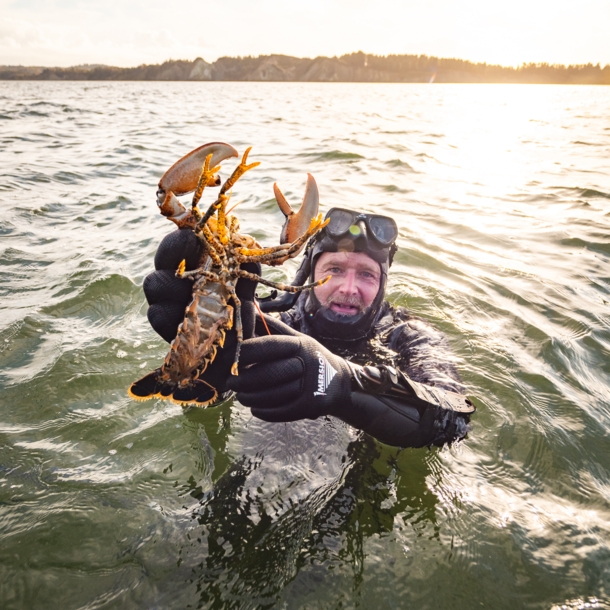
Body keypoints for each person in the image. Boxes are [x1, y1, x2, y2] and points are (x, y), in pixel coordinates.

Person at [143, 208, 475, 448]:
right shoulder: (276, 322)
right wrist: (204, 359)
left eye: (366, 275)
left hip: (360, 464)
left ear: (383, 283)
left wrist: (345, 382)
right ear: (309, 272)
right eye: (334, 269)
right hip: (269, 450)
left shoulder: (409, 336)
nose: (348, 287)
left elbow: (454, 419)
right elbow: (221, 396)